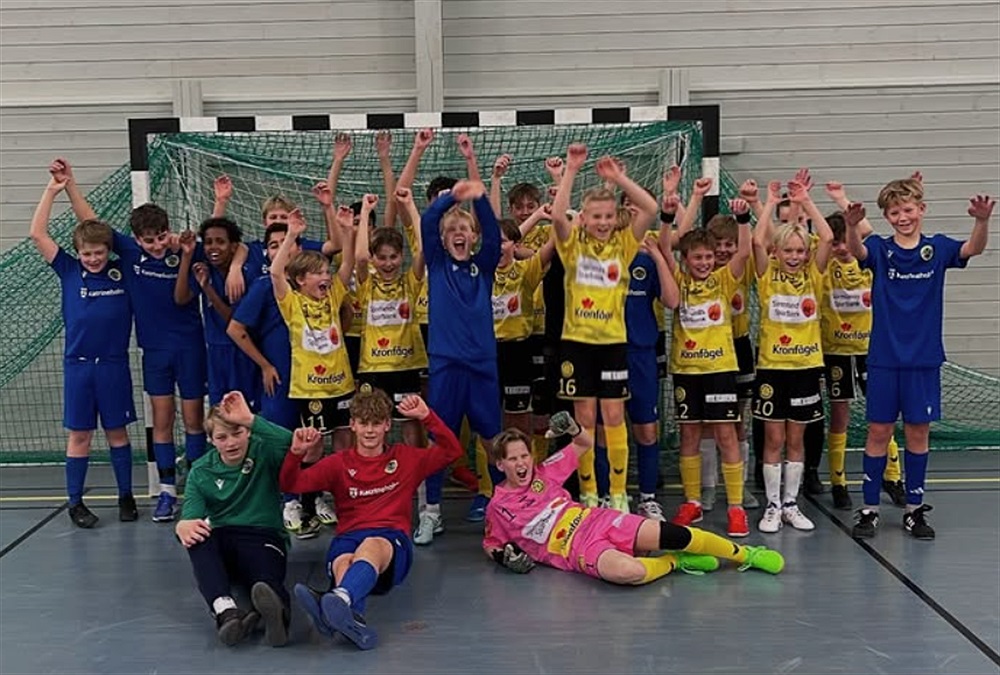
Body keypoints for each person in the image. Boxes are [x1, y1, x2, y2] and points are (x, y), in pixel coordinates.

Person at [57, 157, 246, 522]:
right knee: (162, 420)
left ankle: (198, 491)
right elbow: (91, 222)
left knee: (194, 420)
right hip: (154, 350)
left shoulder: (184, 252)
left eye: (162, 237)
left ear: (168, 231)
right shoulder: (129, 253)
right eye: (149, 240)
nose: (157, 245)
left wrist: (220, 202)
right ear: (136, 239)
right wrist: (70, 186)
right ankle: (167, 491)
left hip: (190, 347)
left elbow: (220, 242)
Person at [845, 180, 994, 539]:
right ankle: (869, 509)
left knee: (918, 432)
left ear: (921, 210)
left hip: (923, 360)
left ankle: (914, 509)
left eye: (908, 210)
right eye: (894, 212)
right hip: (884, 358)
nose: (903, 217)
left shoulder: (937, 248)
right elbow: (857, 251)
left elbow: (973, 248)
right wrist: (851, 226)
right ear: (886, 217)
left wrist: (982, 221)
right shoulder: (880, 249)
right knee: (879, 431)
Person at [483, 412, 785, 584]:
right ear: (500, 464)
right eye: (513, 459)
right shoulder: (498, 507)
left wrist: (572, 427)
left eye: (525, 456)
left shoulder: (544, 472)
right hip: (575, 548)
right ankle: (674, 562)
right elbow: (492, 543)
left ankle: (746, 555)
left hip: (597, 520)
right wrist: (505, 559)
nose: (521, 464)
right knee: (629, 572)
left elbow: (584, 443)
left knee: (676, 534)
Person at [279, 388, 463, 650]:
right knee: (344, 560)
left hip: (390, 544)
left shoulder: (406, 458)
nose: (369, 430)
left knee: (370, 544)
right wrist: (296, 453)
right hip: (348, 539)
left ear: (387, 425)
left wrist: (427, 416)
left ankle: (338, 598)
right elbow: (291, 484)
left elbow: (452, 451)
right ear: (352, 425)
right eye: (363, 423)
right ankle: (351, 619)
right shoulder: (337, 464)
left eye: (376, 423)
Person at [550, 143, 658, 512]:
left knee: (613, 417)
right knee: (584, 421)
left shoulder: (624, 244)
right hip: (577, 344)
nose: (602, 223)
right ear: (584, 217)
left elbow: (650, 209)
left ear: (616, 218)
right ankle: (589, 494)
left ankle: (618, 494)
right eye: (595, 216)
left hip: (613, 344)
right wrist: (571, 169)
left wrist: (619, 179)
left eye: (608, 216)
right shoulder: (572, 247)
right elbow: (557, 215)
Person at [29, 166, 137, 527]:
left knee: (118, 433)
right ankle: (75, 502)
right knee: (80, 435)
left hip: (113, 365)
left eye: (99, 252)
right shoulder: (69, 270)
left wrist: (73, 187)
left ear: (108, 250)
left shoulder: (122, 271)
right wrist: (53, 190)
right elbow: (37, 233)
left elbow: (94, 223)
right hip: (78, 366)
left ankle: (126, 496)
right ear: (78, 253)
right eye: (87, 253)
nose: (93, 258)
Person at [227, 222, 335, 538]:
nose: (283, 249)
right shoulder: (266, 287)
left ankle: (313, 498)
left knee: (316, 439)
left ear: (301, 249)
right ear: (268, 253)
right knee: (284, 441)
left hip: (316, 379)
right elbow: (235, 329)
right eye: (274, 245)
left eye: (288, 242)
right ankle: (289, 501)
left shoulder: (316, 286)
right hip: (283, 379)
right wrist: (264, 365)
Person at [417, 177, 503, 544]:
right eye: (451, 229)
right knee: (439, 439)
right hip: (446, 366)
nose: (457, 233)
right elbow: (427, 222)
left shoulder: (483, 266)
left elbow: (494, 236)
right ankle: (431, 512)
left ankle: (503, 510)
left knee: (492, 439)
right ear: (442, 238)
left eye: (464, 229)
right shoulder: (436, 263)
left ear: (473, 236)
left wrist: (479, 199)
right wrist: (452, 198)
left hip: (482, 366)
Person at [175, 391, 295, 648]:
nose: (231, 443)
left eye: (237, 433)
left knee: (264, 579)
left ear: (247, 432)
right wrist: (183, 526)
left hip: (264, 535)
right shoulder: (201, 470)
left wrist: (250, 419)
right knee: (199, 538)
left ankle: (278, 613)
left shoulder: (263, 450)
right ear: (211, 440)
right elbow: (190, 518)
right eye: (222, 437)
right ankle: (226, 611)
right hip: (224, 537)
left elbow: (290, 443)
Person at [666, 194, 753, 537]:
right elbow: (663, 245)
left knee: (725, 433)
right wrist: (670, 214)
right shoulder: (679, 281)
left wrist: (743, 219)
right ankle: (692, 502)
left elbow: (743, 252)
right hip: (686, 371)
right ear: (685, 259)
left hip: (720, 370)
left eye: (708, 257)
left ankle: (735, 507)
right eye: (697, 257)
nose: (704, 263)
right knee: (689, 433)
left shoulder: (724, 279)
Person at [751, 180, 834, 533]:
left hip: (805, 368)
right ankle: (772, 506)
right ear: (778, 252)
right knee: (774, 439)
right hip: (773, 368)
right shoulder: (767, 275)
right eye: (789, 251)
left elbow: (827, 237)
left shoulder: (814, 276)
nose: (795, 257)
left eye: (800, 251)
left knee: (797, 440)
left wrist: (806, 201)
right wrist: (769, 202)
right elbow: (757, 241)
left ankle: (790, 504)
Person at [823, 180, 904, 509]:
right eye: (835, 242)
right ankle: (839, 481)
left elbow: (866, 230)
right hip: (836, 351)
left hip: (872, 351)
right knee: (840, 414)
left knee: (881, 414)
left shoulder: (867, 261)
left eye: (846, 240)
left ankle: (893, 476)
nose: (842, 247)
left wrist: (842, 199)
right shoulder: (824, 266)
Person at [353, 191, 428, 450]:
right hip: (372, 367)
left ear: (401, 256)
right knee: (370, 426)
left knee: (411, 425)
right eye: (382, 258)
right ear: (374, 259)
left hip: (406, 366)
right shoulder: (367, 284)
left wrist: (410, 205)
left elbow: (423, 249)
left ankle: (416, 475)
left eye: (393, 257)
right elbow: (360, 257)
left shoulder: (410, 282)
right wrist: (365, 212)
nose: (388, 263)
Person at [175, 217, 259, 408]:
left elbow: (234, 322)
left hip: (242, 352)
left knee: (245, 412)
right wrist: (187, 257)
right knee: (219, 411)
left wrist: (207, 288)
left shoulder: (245, 274)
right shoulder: (206, 270)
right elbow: (181, 298)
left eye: (220, 242)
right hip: (215, 352)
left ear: (233, 247)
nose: (213, 247)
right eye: (208, 242)